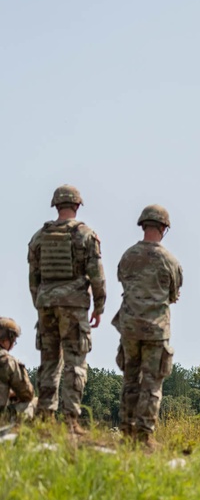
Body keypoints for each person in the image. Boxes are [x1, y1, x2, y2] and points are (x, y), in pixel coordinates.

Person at [27, 185, 106, 435]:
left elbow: (33, 279)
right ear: (78, 205)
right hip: (73, 305)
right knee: (75, 362)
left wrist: (40, 302)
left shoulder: (39, 237)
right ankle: (71, 421)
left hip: (46, 304)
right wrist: (99, 306)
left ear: (55, 205)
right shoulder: (86, 235)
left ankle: (45, 420)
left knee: (49, 362)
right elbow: (97, 276)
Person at [111, 205, 183, 449]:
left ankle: (126, 432)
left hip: (129, 326)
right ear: (164, 228)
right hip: (155, 329)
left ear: (143, 225)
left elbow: (123, 282)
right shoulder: (170, 260)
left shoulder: (128, 256)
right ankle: (144, 436)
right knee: (151, 383)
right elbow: (173, 295)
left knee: (130, 380)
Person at [0, 317, 37, 423]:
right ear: (4, 341)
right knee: (35, 403)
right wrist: (13, 394)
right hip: (2, 418)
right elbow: (27, 394)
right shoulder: (7, 361)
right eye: (13, 341)